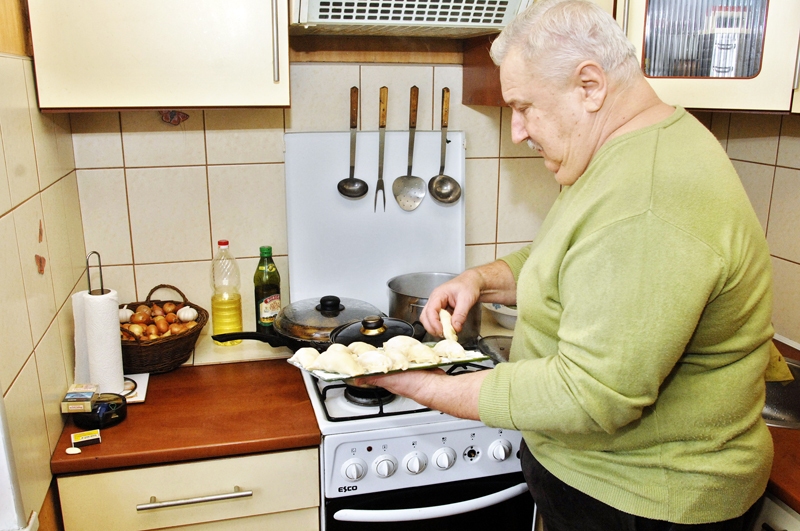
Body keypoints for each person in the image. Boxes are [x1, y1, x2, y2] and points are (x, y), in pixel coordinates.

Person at [360, 0, 777, 529]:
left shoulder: (647, 199)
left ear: (590, 86)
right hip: (602, 484)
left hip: (647, 502)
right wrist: (479, 281)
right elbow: (562, 256)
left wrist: (420, 381)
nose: (517, 131)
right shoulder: (621, 157)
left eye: (524, 106)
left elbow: (590, 396)